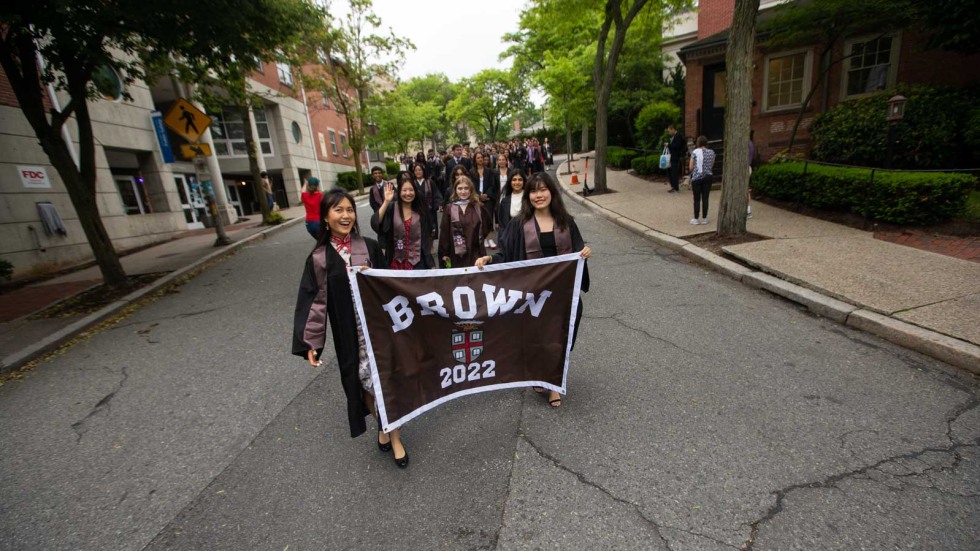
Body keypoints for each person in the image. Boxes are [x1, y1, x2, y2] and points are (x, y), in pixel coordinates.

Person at [292, 188, 410, 468]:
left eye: (349, 209)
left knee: (387, 382)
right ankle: (384, 425)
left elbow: (392, 285)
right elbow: (314, 302)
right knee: (363, 383)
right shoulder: (319, 258)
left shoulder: (368, 247)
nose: (346, 215)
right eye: (338, 210)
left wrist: (377, 280)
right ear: (325, 217)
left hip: (379, 327)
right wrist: (311, 343)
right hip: (349, 333)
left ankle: (395, 438)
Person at [475, 172, 591, 409]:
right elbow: (506, 255)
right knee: (538, 339)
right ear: (528, 196)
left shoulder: (565, 221)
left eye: (543, 189)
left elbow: (577, 249)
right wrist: (490, 259)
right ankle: (547, 381)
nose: (539, 195)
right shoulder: (519, 225)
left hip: (563, 293)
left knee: (560, 339)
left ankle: (551, 379)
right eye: (534, 191)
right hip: (533, 296)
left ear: (552, 192)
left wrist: (584, 251)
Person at [372, 172, 436, 269]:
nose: (408, 193)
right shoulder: (392, 208)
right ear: (399, 192)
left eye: (411, 190)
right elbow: (376, 223)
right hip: (395, 261)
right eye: (404, 190)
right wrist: (386, 202)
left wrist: (431, 264)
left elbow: (424, 241)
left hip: (417, 262)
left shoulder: (420, 211)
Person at [438, 176, 487, 268]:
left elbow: (487, 226)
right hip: (455, 251)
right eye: (460, 188)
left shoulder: (478, 207)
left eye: (466, 188)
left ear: (471, 190)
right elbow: (444, 232)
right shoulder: (450, 208)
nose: (463, 191)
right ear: (455, 190)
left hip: (475, 250)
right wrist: (444, 253)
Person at [470, 151, 498, 250]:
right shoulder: (471, 172)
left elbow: (492, 184)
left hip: (488, 198)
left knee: (489, 217)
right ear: (475, 160)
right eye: (478, 158)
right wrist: (478, 196)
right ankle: (484, 238)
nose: (480, 159)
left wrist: (487, 194)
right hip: (477, 199)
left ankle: (490, 238)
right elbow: (471, 185)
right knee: (480, 219)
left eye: (481, 157)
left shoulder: (489, 171)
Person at [411, 162, 442, 240]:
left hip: (429, 209)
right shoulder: (412, 183)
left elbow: (436, 194)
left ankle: (431, 245)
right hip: (416, 210)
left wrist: (436, 205)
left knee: (431, 228)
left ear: (423, 171)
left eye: (420, 170)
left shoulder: (430, 182)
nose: (418, 172)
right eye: (416, 170)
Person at [689, 136, 716, 225]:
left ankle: (696, 218)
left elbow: (691, 167)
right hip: (708, 176)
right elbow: (712, 164)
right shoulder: (711, 152)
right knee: (705, 197)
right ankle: (705, 218)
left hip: (697, 177)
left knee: (696, 199)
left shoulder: (695, 152)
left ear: (698, 143)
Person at [495, 170, 526, 243]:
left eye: (520, 180)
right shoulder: (504, 201)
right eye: (514, 180)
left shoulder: (529, 198)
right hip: (510, 239)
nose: (517, 183)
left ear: (524, 182)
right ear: (510, 182)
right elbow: (502, 225)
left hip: (527, 237)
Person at [665, 124, 686, 193]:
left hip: (675, 157)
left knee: (674, 172)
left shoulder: (679, 136)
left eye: (669, 131)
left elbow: (677, 146)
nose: (669, 133)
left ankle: (675, 186)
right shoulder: (673, 137)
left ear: (673, 129)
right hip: (672, 156)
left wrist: (669, 145)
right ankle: (673, 185)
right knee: (670, 171)